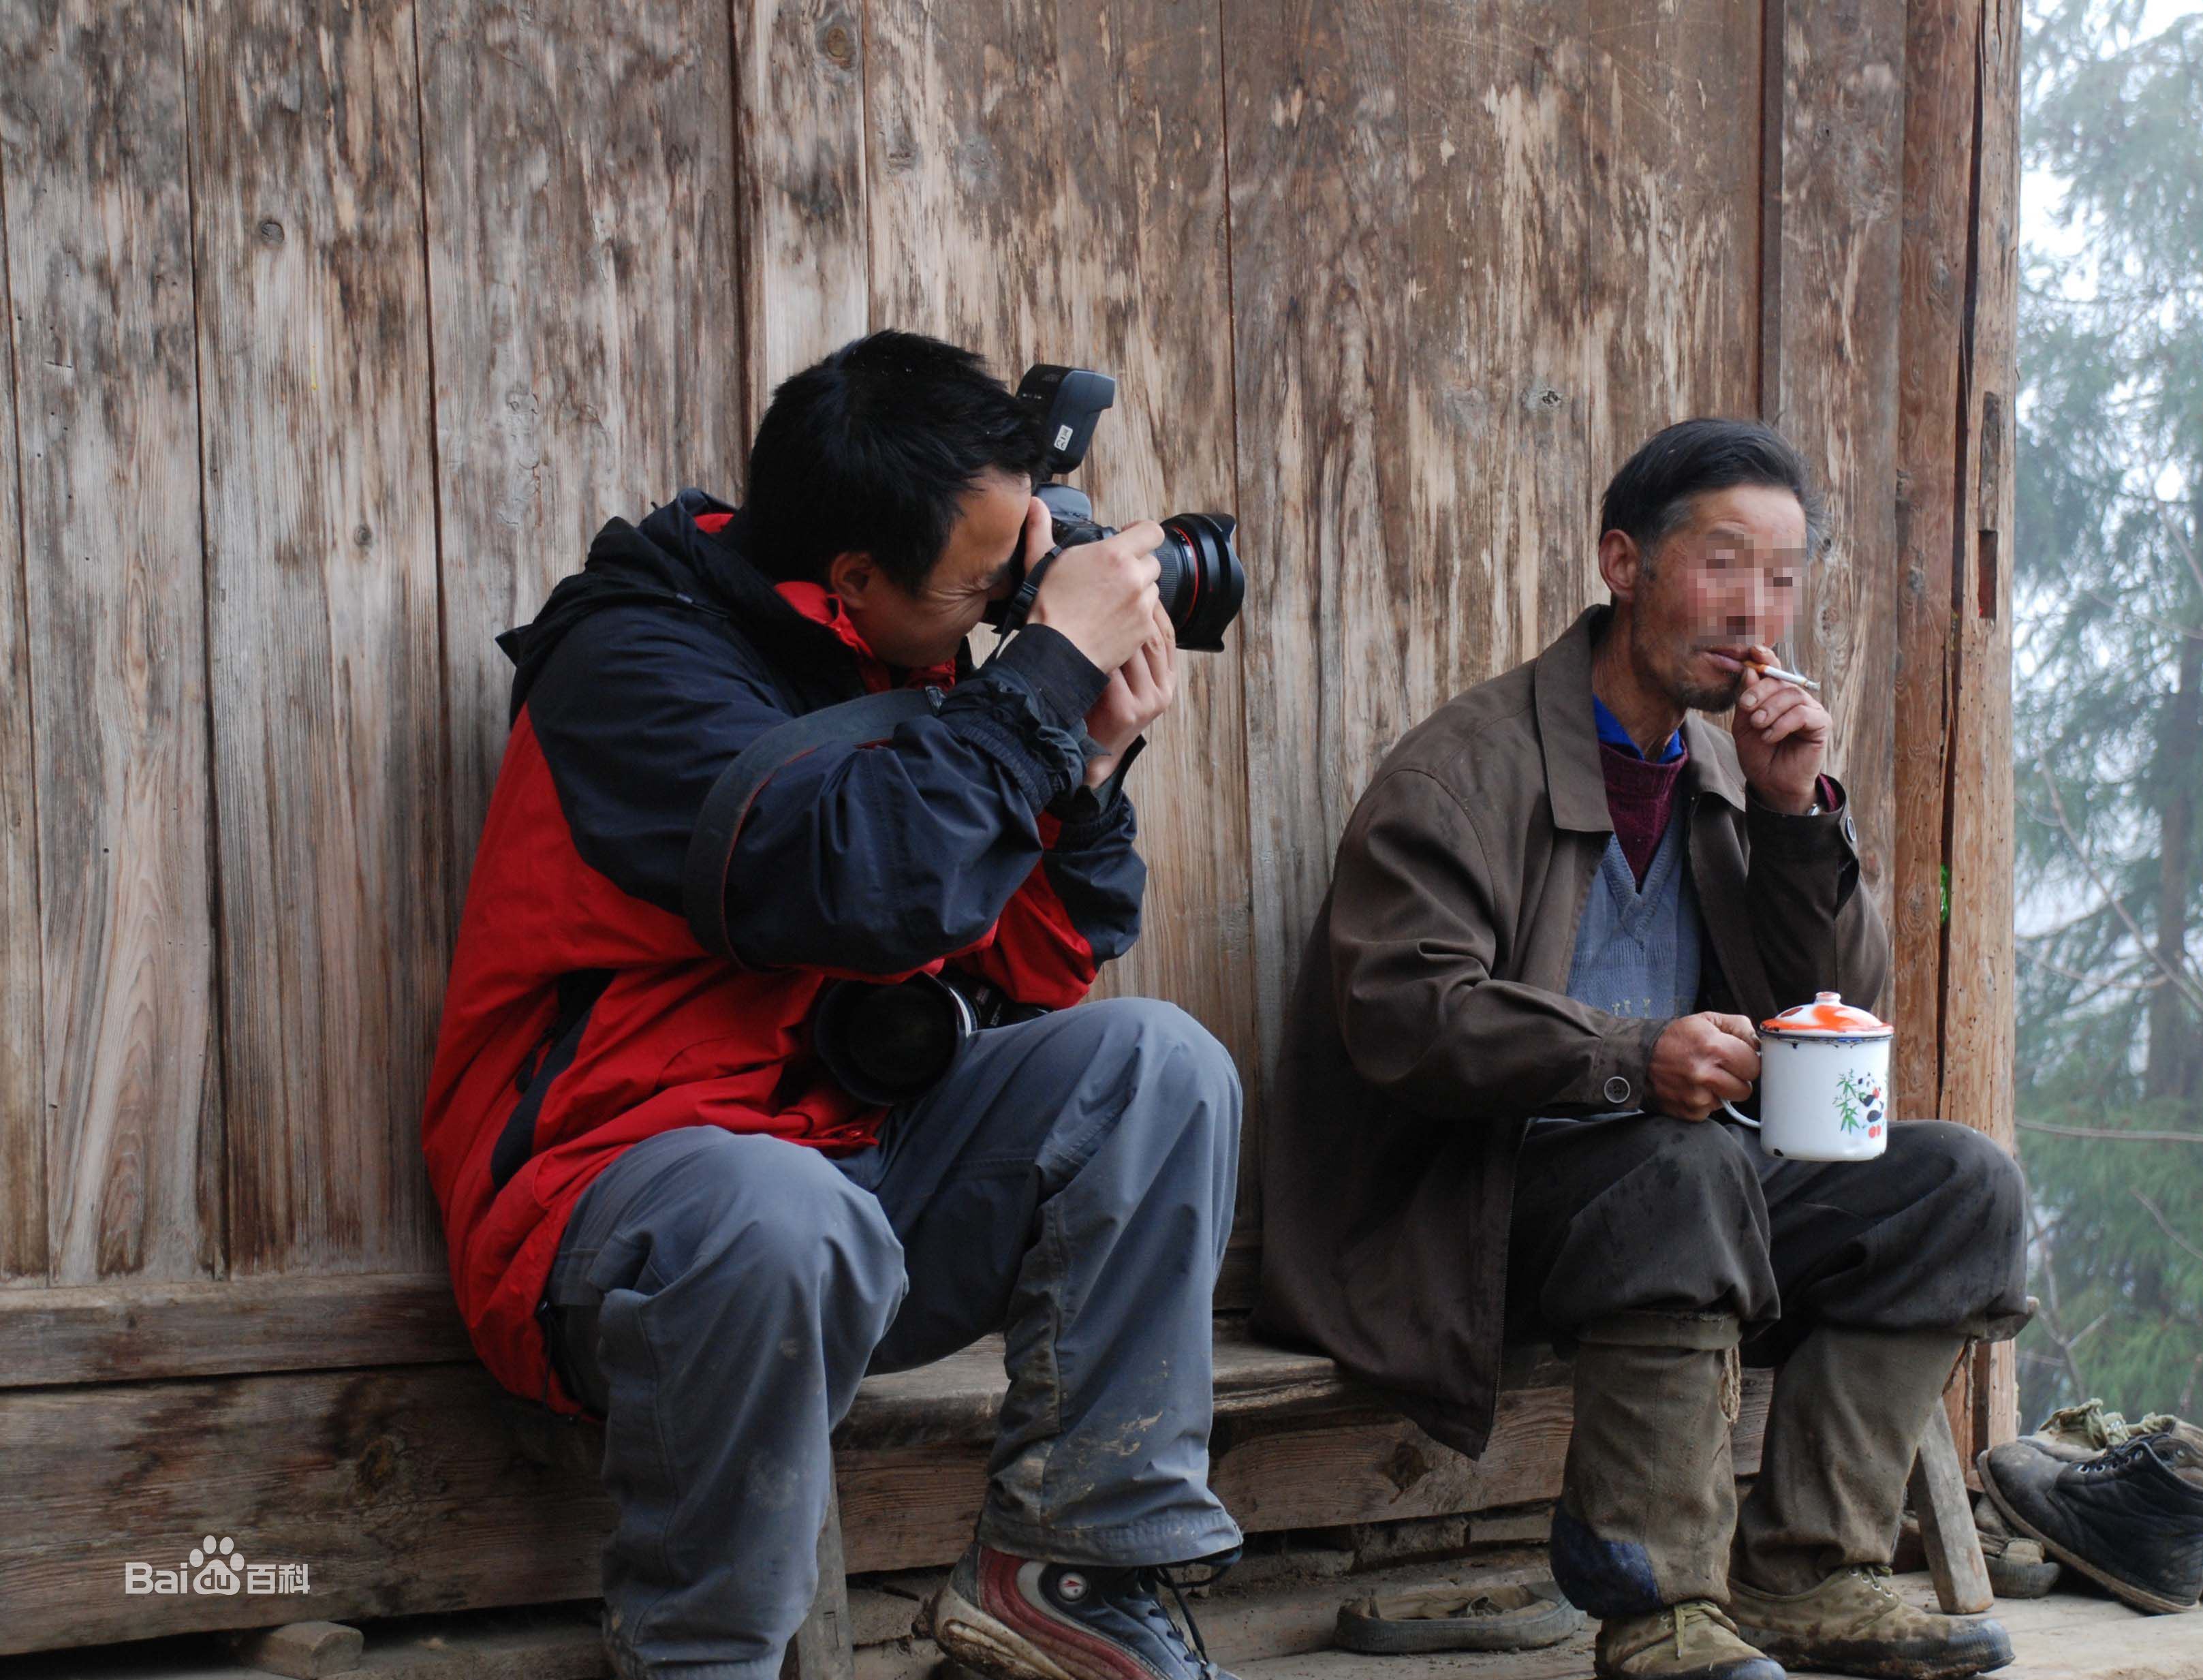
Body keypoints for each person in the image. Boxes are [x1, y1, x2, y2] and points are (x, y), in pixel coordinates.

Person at [422, 332, 1245, 1680]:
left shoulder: (902, 651)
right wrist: (1037, 678)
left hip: (850, 1175)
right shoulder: (636, 672)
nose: (1001, 614)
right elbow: (858, 886)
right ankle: (704, 1661)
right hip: (611, 1202)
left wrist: (1084, 771)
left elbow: (1027, 970)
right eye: (983, 588)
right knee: (778, 1214)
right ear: (853, 577)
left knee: (1157, 1065)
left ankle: (1072, 1569)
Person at [1254, 420, 2032, 1680]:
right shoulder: (1462, 770)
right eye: (1724, 564)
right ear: (1624, 562)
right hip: (1471, 1213)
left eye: (1782, 578)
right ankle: (1660, 1603)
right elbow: (1405, 1012)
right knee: (1685, 1167)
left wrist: (1794, 819)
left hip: (1680, 1208)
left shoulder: (1729, 773)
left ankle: (1808, 1572)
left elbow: (1836, 1010)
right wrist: (1631, 1055)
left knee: (1957, 1186)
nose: (1755, 609)